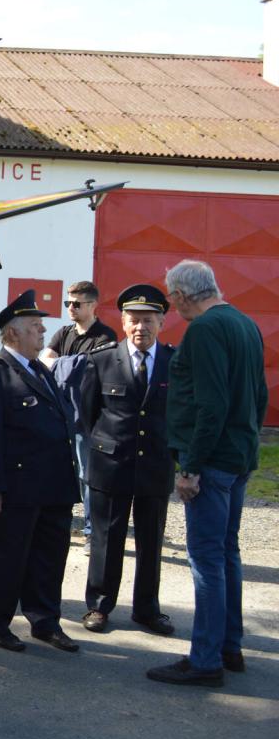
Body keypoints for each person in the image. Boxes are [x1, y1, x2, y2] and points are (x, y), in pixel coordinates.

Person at [147, 261, 267, 688]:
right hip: (236, 458)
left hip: (212, 461)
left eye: (171, 297)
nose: (173, 305)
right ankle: (228, 647)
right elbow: (258, 396)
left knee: (207, 559)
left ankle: (206, 659)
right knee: (226, 552)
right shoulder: (245, 324)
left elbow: (210, 404)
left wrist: (191, 467)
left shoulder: (204, 329)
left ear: (181, 296)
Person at [0, 290, 80, 653]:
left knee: (49, 559)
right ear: (13, 332)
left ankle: (45, 622)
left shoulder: (41, 370)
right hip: (14, 489)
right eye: (35, 326)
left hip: (53, 486)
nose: (43, 331)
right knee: (5, 559)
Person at [78, 284, 176, 636]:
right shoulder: (102, 360)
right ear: (122, 322)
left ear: (161, 323)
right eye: (134, 319)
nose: (141, 327)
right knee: (106, 538)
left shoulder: (175, 362)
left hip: (155, 466)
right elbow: (88, 415)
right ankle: (99, 605)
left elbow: (181, 415)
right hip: (111, 465)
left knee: (151, 541)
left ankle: (147, 609)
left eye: (148, 320)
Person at [42, 281, 117, 541]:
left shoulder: (105, 337)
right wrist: (73, 365)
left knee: (88, 475)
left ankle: (92, 531)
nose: (70, 308)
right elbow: (44, 361)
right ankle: (57, 526)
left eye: (76, 304)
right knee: (60, 472)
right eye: (68, 303)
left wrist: (61, 364)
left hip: (88, 419)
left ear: (93, 305)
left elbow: (92, 369)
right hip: (61, 417)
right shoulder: (63, 333)